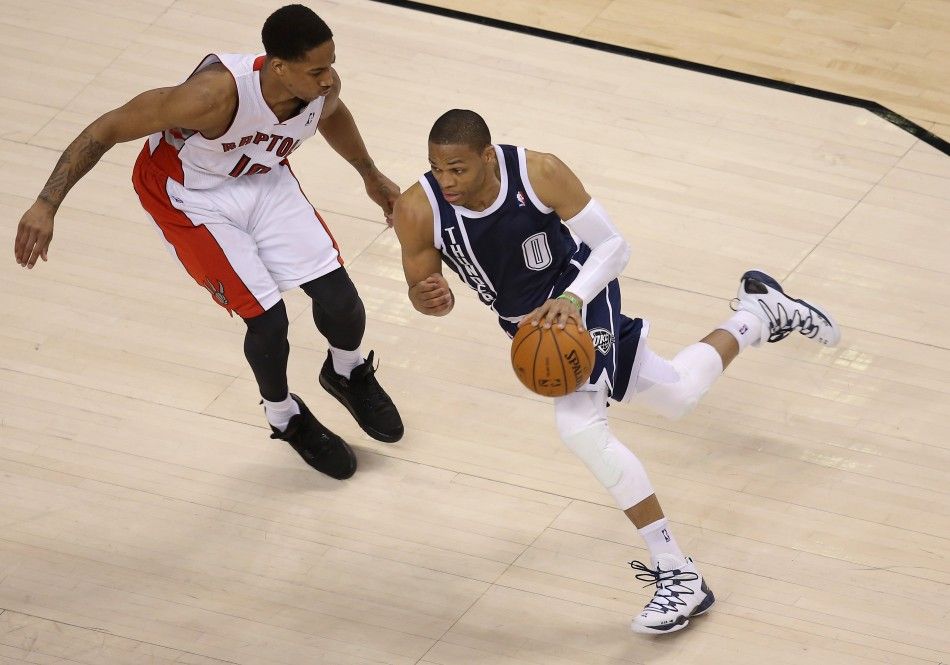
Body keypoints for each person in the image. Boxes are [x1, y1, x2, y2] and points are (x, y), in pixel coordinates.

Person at [393, 109, 840, 634]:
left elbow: (613, 246)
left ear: (487, 157)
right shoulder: (417, 209)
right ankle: (758, 314)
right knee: (677, 395)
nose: (446, 182)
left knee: (580, 427)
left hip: (581, 292)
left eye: (458, 170)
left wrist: (572, 298)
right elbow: (428, 297)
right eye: (437, 169)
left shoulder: (539, 173)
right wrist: (428, 299)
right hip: (526, 326)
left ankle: (678, 573)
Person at [12, 4, 404, 480]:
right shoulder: (210, 96)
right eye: (317, 69)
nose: (328, 78)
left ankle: (345, 371)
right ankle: (284, 416)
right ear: (278, 67)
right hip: (189, 197)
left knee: (340, 300)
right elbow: (106, 129)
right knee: (268, 321)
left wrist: (369, 173)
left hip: (260, 178)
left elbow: (330, 115)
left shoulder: (323, 87)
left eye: (331, 64)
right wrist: (46, 204)